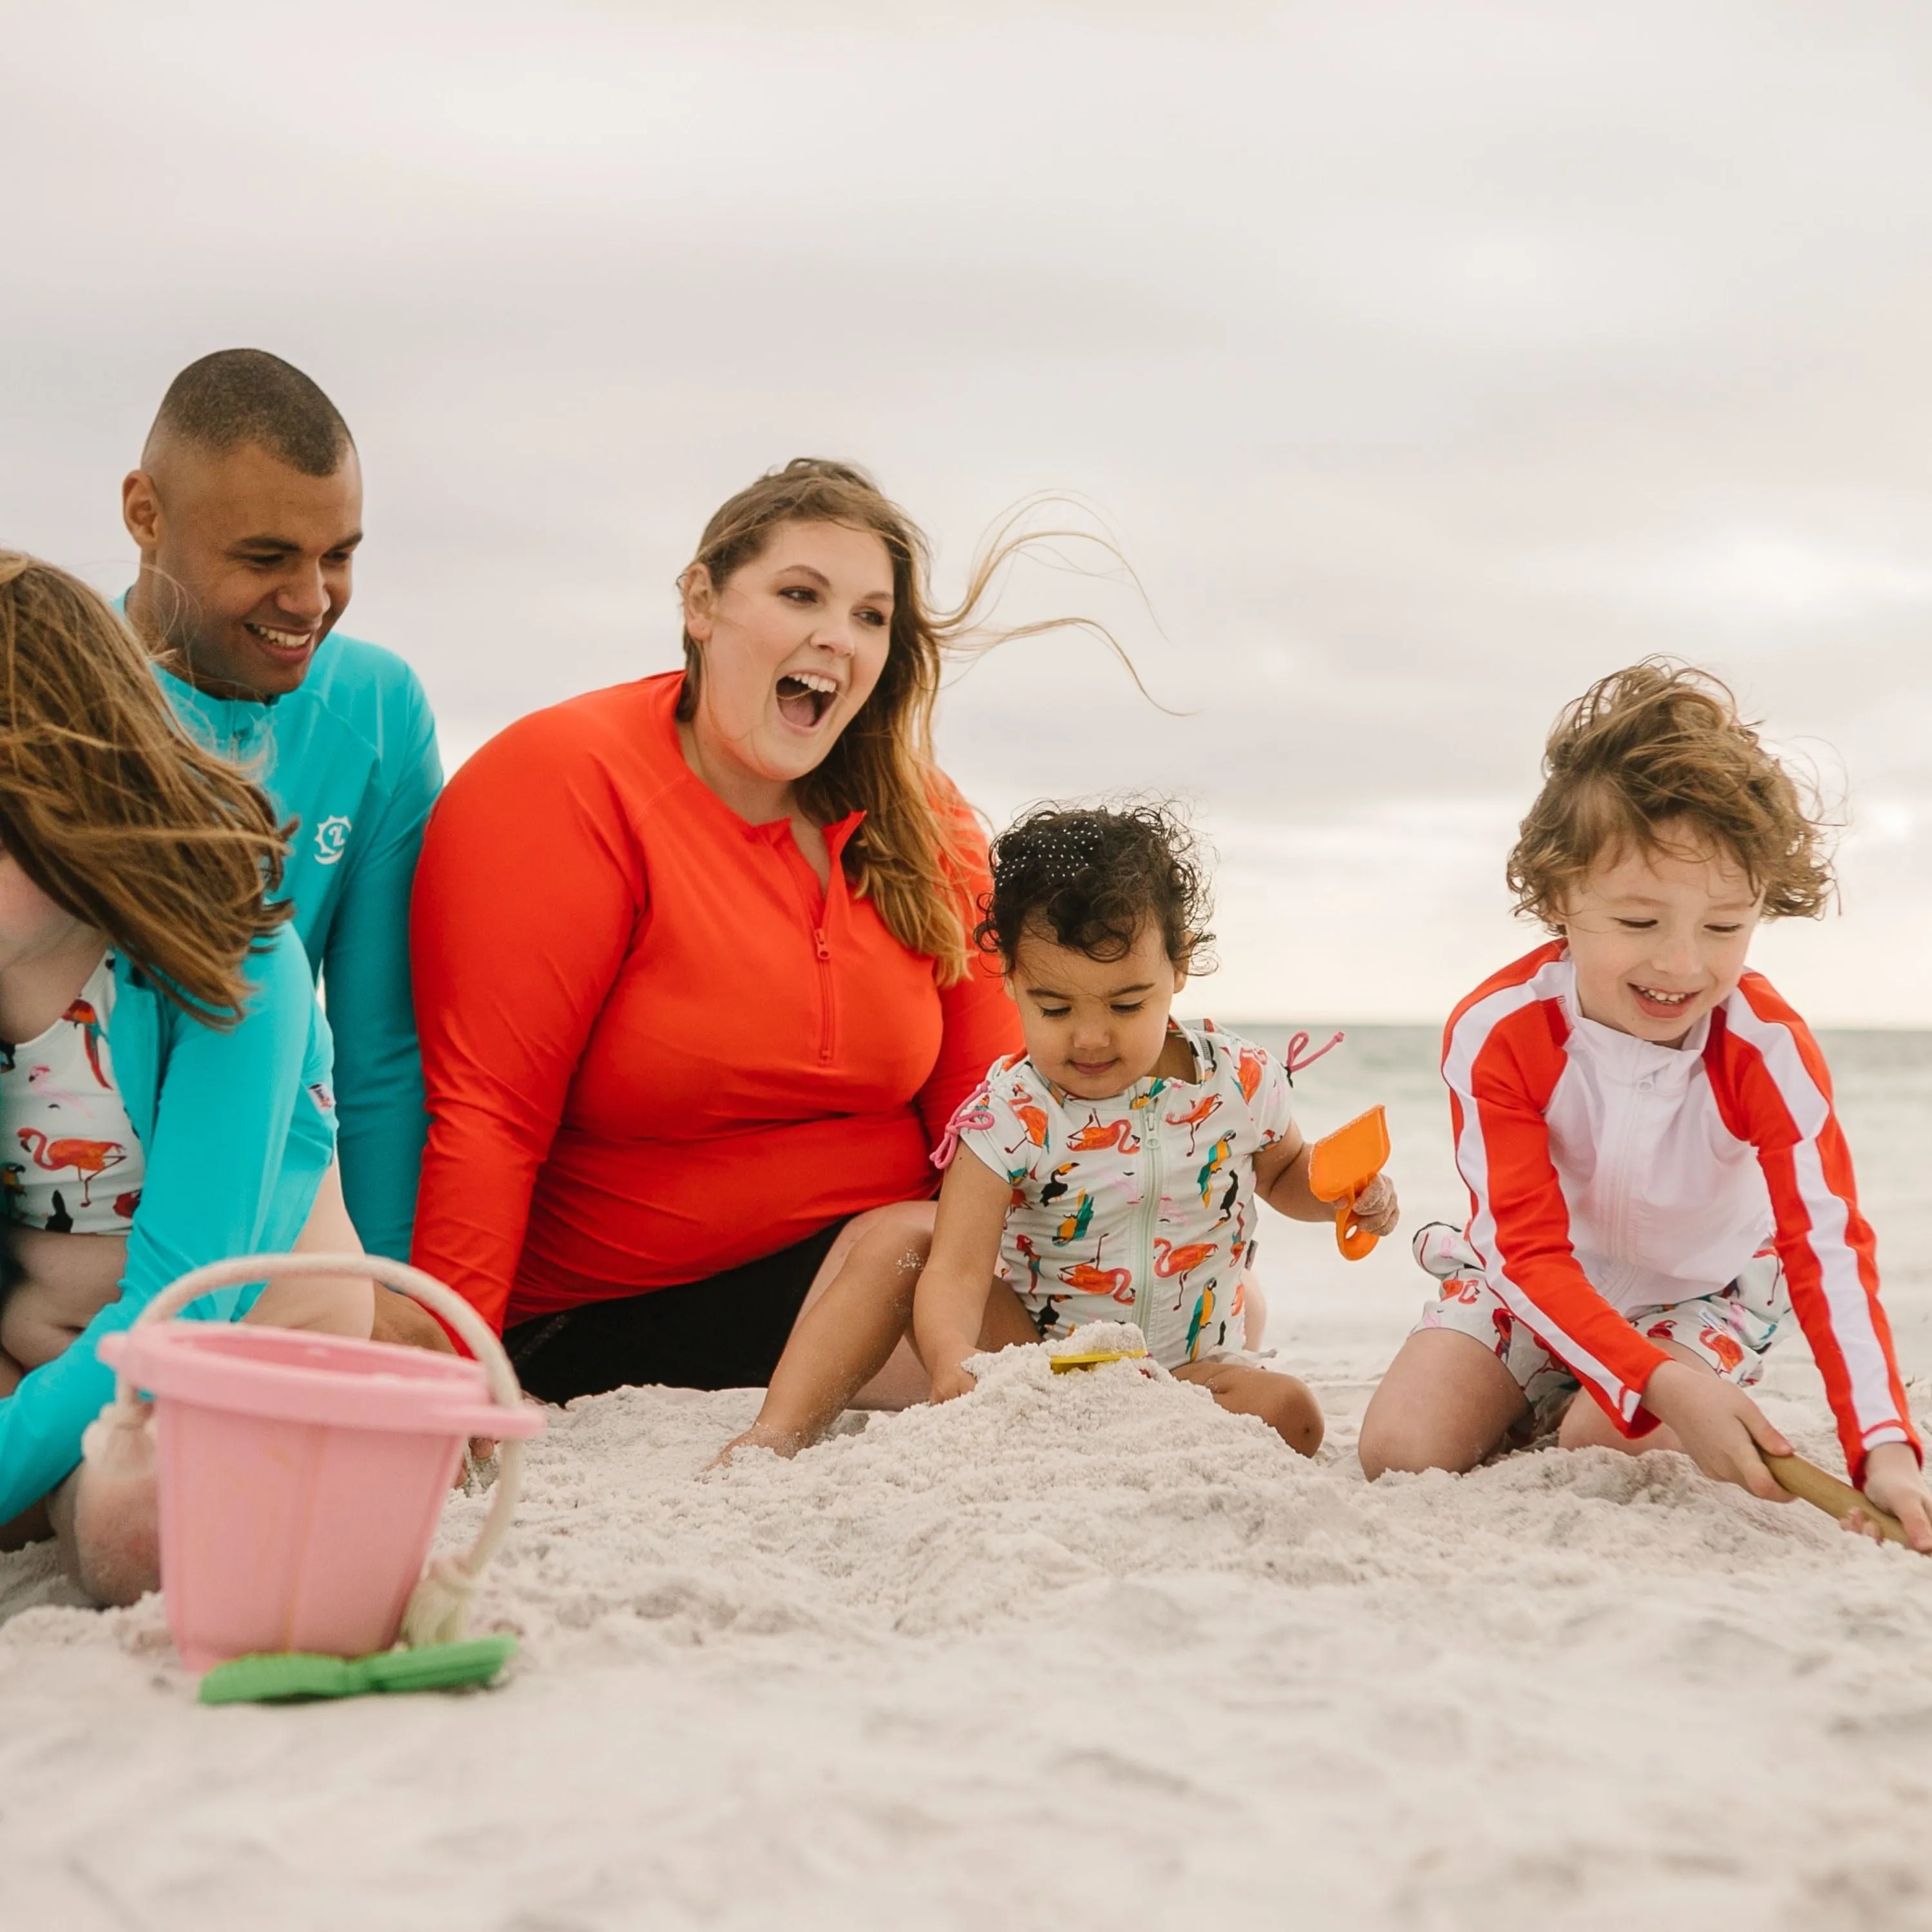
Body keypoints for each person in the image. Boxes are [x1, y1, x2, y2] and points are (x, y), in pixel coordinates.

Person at [410, 459, 1083, 1397]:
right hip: (610, 1310)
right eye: (799, 594)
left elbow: (993, 1107)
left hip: (887, 1256)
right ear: (701, 601)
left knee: (1200, 1304)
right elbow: (488, 1116)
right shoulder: (568, 779)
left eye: (870, 616)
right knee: (946, 1277)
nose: (836, 637)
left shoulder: (925, 817)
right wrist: (451, 1379)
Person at [1357, 662, 1932, 1549]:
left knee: (1602, 1445)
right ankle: (1571, 1381)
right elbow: (1530, 1251)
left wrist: (1883, 1445)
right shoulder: (1499, 1032)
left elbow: (1827, 1247)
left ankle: (1592, 1396)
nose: (1680, 965)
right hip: (1533, 1282)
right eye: (1637, 922)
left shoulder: (1766, 1048)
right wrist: (1656, 1385)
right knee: (1400, 1451)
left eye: (1722, 927)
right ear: (1559, 898)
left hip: (1699, 1298)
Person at [726, 802, 1400, 1457]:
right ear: (1013, 980)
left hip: (1188, 1375)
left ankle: (1132, 1446)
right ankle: (775, 1435)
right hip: (1036, 1362)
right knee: (901, 1242)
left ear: (1179, 966)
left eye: (1127, 1004)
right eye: (1054, 1007)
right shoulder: (1010, 1113)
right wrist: (955, 1359)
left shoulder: (1238, 1081)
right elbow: (958, 1273)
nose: (1091, 1037)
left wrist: (1347, 1198)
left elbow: (1286, 1176)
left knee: (1294, 1415)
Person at [0, 556, 376, 1601]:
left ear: (77, 792)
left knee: (140, 1517)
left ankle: (77, 1499)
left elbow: (184, 1304)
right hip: (32, 1366)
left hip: (223, 1357)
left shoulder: (231, 957)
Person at [120, 349, 441, 1269]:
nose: (309, 601)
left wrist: (383, 1286)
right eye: (265, 558)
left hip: (260, 1215)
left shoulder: (379, 710)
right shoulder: (45, 694)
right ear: (146, 514)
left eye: (337, 556)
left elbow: (379, 1054)